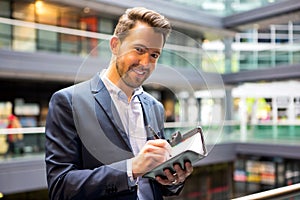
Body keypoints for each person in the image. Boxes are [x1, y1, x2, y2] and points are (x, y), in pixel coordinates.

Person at [45, 7, 193, 200]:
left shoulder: (155, 107)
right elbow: (60, 186)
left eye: (154, 55)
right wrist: (131, 168)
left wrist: (174, 179)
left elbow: (156, 186)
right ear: (115, 45)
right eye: (139, 50)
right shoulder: (68, 102)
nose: (145, 62)